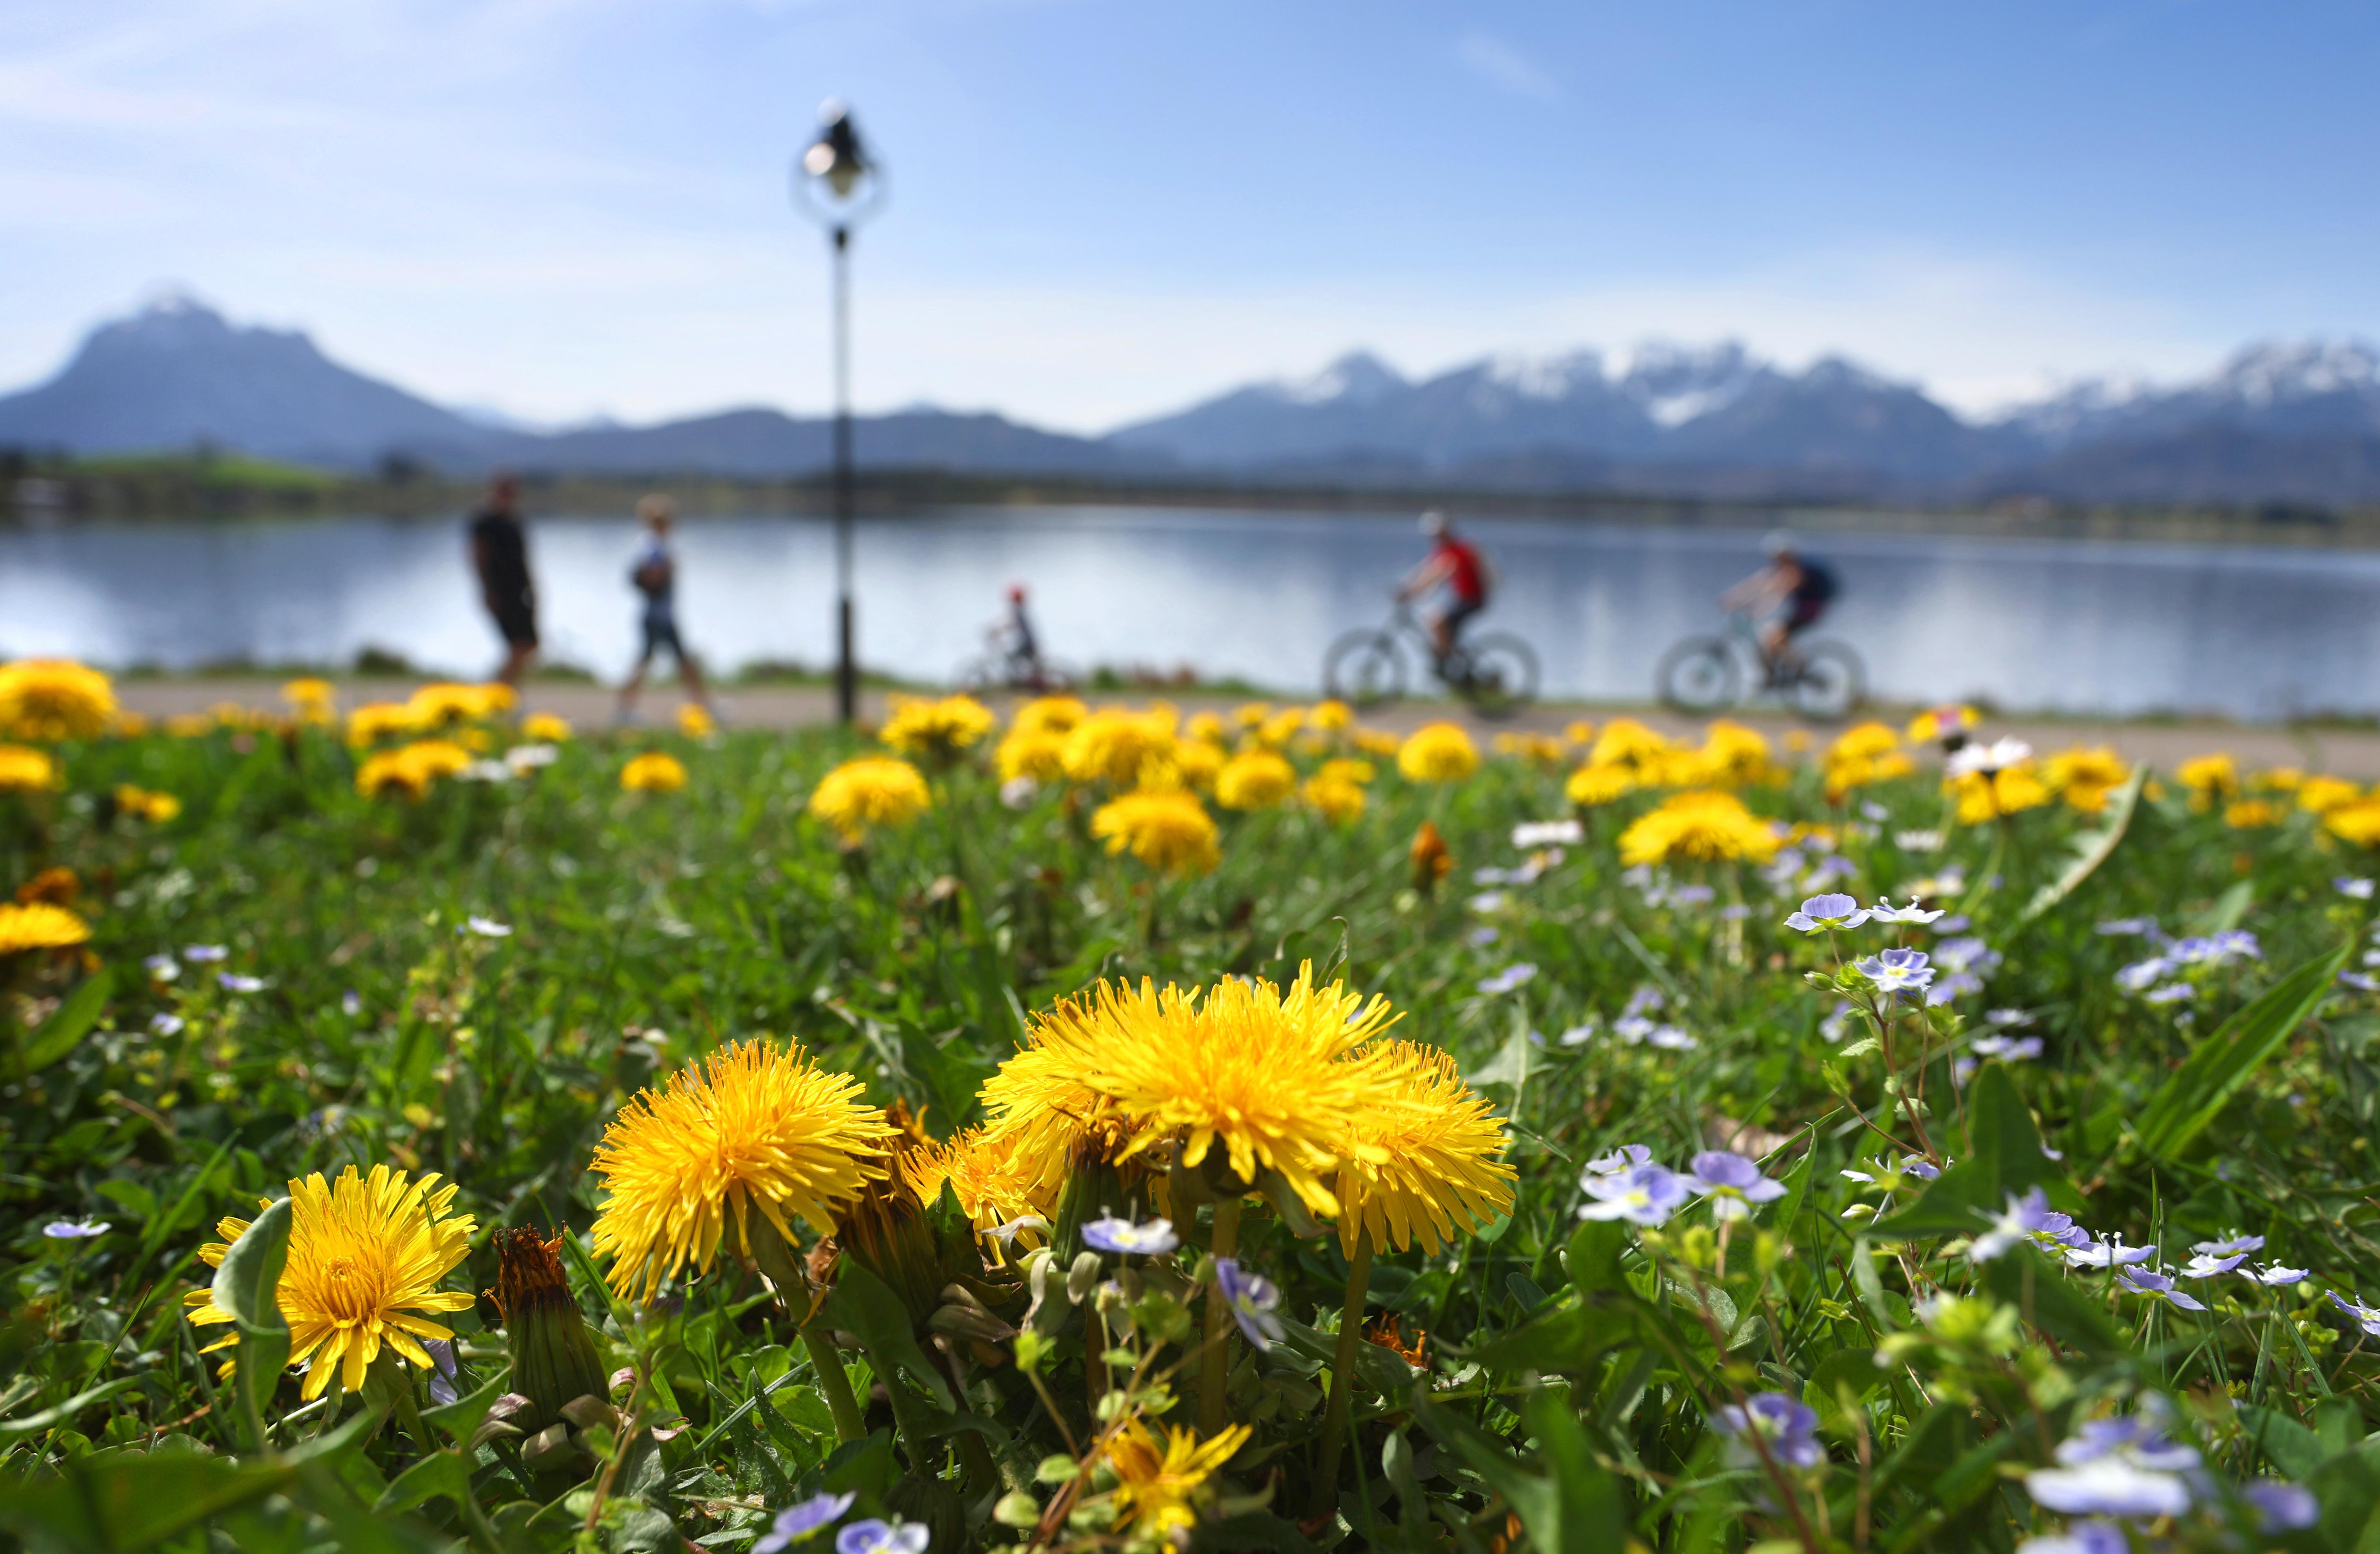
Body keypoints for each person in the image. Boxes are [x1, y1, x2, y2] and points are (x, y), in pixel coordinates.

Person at [615, 494, 713, 723]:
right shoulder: (655, 547)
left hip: (658, 615)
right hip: (659, 616)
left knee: (667, 662)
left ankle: (625, 707)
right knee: (672, 662)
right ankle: (703, 708)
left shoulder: (652, 544)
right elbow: (652, 576)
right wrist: (667, 570)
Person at [1722, 531, 1838, 679]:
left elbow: (1780, 590)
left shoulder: (1795, 572)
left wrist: (1760, 610)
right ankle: (1780, 673)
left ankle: (1798, 671)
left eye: (1777, 557)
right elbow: (1759, 582)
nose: (1775, 560)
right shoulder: (1785, 569)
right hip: (1801, 611)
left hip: (1809, 612)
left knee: (1772, 639)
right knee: (1772, 638)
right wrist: (1734, 597)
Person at [467, 472, 537, 686]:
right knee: (519, 644)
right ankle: (498, 691)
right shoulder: (485, 522)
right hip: (500, 593)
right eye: (505, 491)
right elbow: (478, 557)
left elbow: (524, 560)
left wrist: (533, 589)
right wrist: (487, 591)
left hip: (520, 592)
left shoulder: (516, 522)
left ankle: (506, 690)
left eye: (512, 492)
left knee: (529, 644)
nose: (509, 496)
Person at [1396, 510, 1492, 664]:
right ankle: (1449, 659)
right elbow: (1427, 571)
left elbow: (1436, 575)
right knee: (1433, 621)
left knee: (1438, 623)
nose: (1435, 539)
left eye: (1438, 535)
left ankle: (1447, 664)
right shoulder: (1449, 550)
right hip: (1464, 599)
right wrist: (1407, 587)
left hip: (1472, 600)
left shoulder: (1456, 551)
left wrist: (1412, 592)